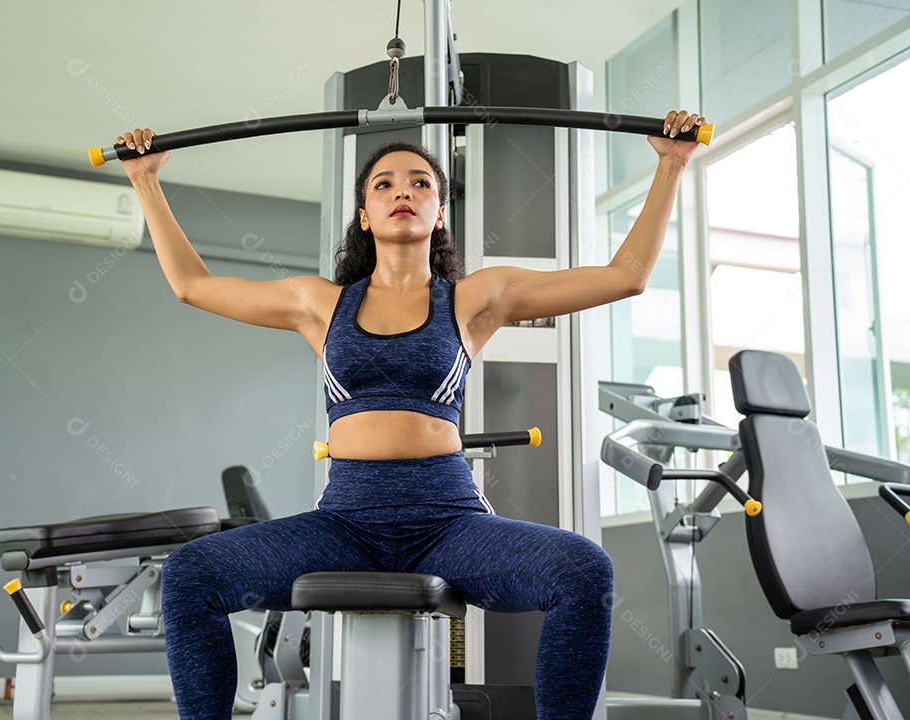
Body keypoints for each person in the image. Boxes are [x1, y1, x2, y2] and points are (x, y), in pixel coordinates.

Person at [115, 109, 705, 720]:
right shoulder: (317, 303)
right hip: (345, 522)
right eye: (386, 183)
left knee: (583, 569)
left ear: (440, 213)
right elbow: (192, 284)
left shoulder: (478, 297)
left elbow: (625, 277)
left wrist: (670, 163)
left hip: (447, 522)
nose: (405, 190)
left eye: (422, 182)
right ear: (364, 216)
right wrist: (146, 180)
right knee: (189, 574)